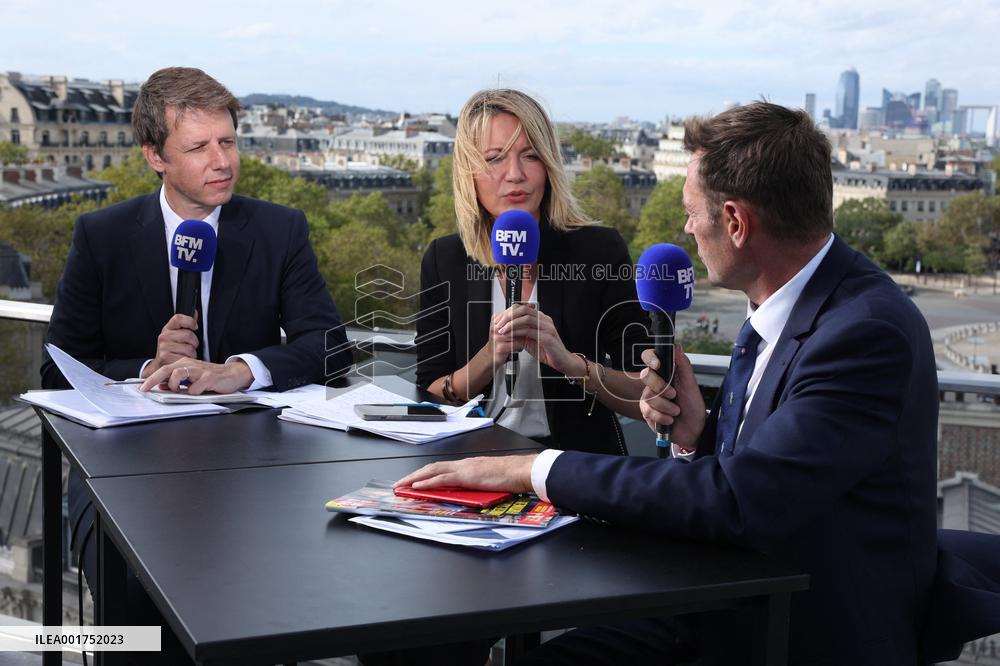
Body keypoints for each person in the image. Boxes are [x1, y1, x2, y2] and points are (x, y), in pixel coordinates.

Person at [398, 102, 939, 665]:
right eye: (495, 159)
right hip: (721, 595)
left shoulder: (864, 333)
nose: (685, 229)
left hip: (791, 627)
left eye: (690, 211)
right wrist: (695, 434)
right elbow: (759, 471)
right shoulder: (786, 310)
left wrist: (528, 468)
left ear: (734, 221)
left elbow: (740, 500)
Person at [41, 67, 351, 664]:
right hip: (120, 473)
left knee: (261, 598)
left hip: (252, 468)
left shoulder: (279, 229)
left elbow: (331, 345)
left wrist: (241, 368)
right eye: (199, 147)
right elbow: (59, 371)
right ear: (155, 156)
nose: (222, 161)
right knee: (135, 606)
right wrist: (147, 369)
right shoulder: (100, 236)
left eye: (228, 142)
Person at [416, 88, 651, 456]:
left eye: (530, 155)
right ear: (469, 173)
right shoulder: (444, 258)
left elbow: (644, 392)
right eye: (494, 159)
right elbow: (430, 390)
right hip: (472, 461)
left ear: (549, 165)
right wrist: (490, 356)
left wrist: (571, 363)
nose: (515, 175)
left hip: (572, 467)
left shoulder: (598, 251)